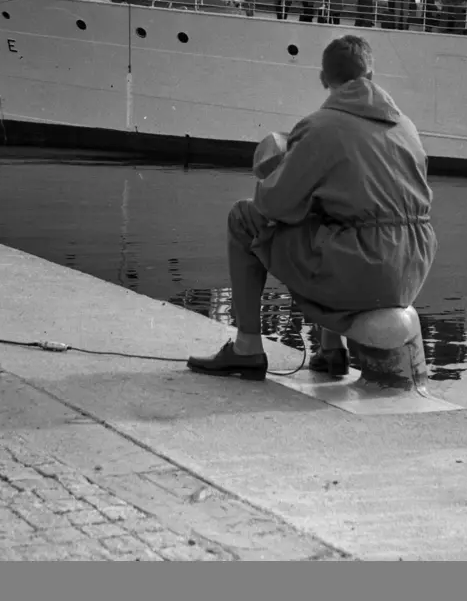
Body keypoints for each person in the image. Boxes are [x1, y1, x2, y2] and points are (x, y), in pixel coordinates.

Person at [186, 34, 436, 381]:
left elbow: (273, 205)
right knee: (332, 218)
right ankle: (332, 351)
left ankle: (246, 349)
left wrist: (279, 169)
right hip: (412, 267)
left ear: (324, 79)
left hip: (364, 268)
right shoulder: (406, 127)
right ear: (371, 76)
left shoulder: (320, 127)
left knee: (244, 219)